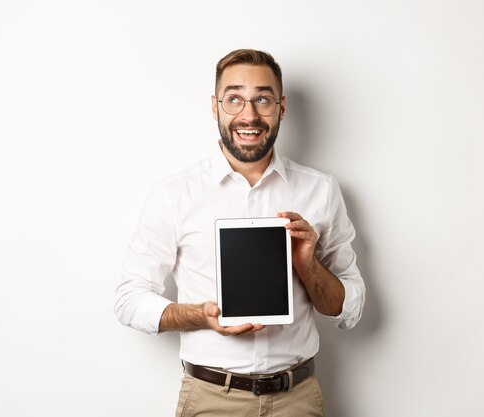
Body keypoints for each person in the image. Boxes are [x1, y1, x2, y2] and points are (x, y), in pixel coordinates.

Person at [115, 49, 366, 417]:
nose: (248, 115)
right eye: (234, 99)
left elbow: (349, 310)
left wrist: (307, 265)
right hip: (211, 398)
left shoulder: (321, 190)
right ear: (215, 107)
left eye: (262, 99)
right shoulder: (174, 193)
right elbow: (128, 298)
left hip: (296, 399)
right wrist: (200, 315)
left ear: (281, 107)